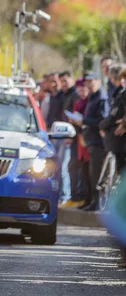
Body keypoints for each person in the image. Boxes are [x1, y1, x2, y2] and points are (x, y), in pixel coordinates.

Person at [81, 71, 110, 211]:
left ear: (98, 81)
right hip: (91, 141)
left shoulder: (101, 98)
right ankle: (92, 201)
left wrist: (84, 121)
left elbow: (102, 121)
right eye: (87, 82)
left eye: (92, 81)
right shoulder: (92, 97)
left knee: (97, 174)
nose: (89, 84)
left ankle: (98, 203)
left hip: (98, 143)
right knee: (91, 174)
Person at [69, 79, 91, 209]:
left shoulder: (91, 102)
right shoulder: (78, 103)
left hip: (90, 140)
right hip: (80, 141)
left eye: (83, 89)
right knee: (82, 169)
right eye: (79, 90)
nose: (81, 92)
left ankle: (88, 198)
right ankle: (85, 199)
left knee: (90, 171)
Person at [58, 71, 78, 206]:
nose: (63, 84)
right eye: (61, 81)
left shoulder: (75, 95)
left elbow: (75, 115)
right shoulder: (65, 95)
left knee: (65, 166)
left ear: (72, 79)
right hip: (64, 135)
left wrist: (71, 134)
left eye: (65, 81)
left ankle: (66, 196)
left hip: (70, 137)